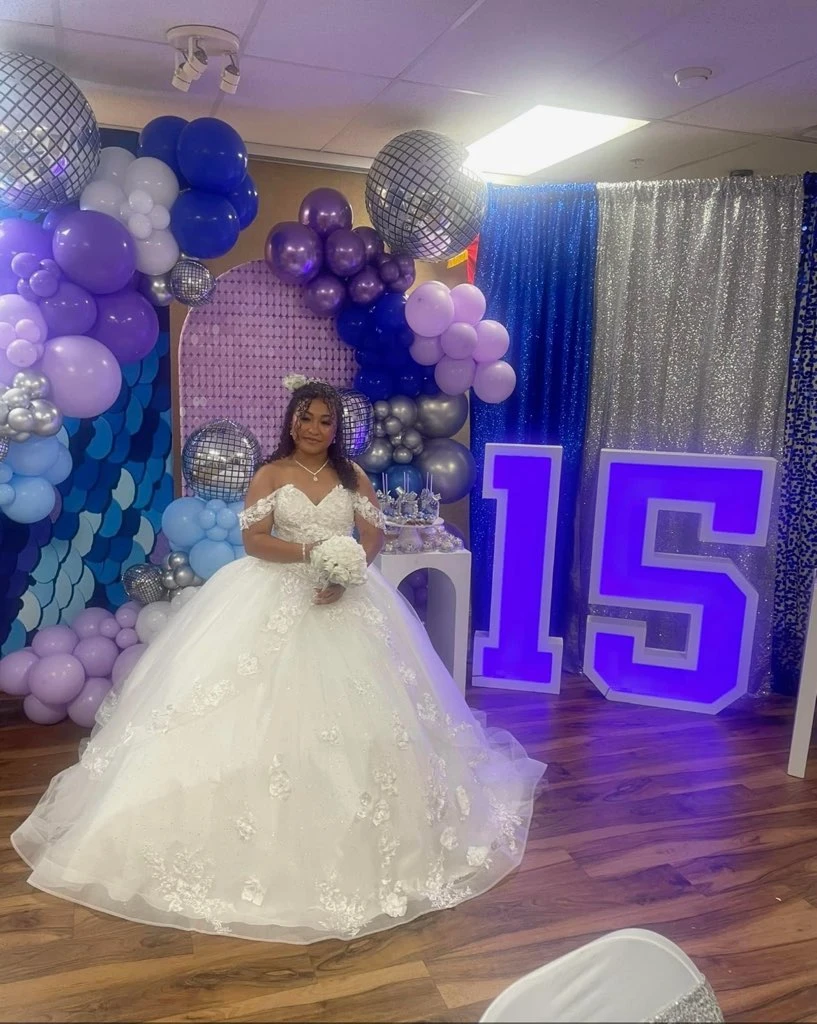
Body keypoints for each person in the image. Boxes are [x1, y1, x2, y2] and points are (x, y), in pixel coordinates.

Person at [11, 378, 545, 944]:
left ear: (337, 431)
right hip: (271, 593)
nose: (314, 429)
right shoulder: (269, 474)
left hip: (344, 602)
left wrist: (349, 569)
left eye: (325, 422)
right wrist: (316, 553)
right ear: (291, 420)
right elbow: (256, 542)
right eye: (306, 418)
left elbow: (373, 533)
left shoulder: (350, 476)